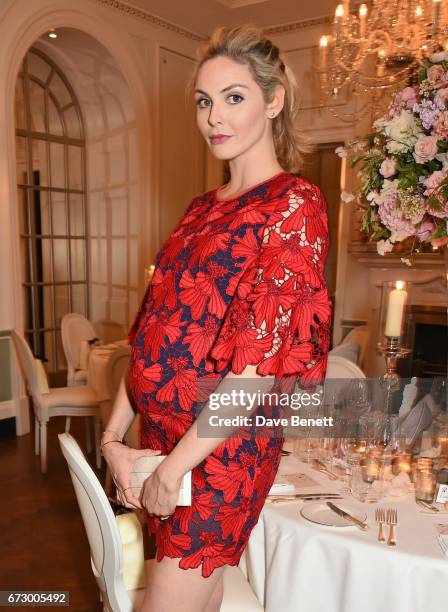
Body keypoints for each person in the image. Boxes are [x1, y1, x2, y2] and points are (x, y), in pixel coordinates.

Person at [101, 24, 332, 612]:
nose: (214, 118)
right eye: (205, 102)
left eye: (234, 97)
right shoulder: (201, 207)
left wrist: (171, 471)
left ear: (273, 100)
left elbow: (256, 370)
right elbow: (150, 329)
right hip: (162, 444)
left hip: (218, 455)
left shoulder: (294, 205)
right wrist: (113, 439)